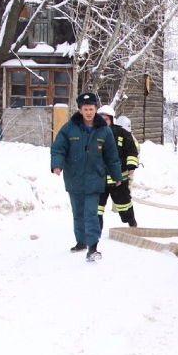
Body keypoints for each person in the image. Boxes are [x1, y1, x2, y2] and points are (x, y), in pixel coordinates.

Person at [50, 92, 122, 262]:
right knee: (78, 213)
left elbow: (111, 155)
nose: (88, 112)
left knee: (91, 213)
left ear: (96, 109)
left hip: (94, 178)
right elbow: (58, 148)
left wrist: (116, 174)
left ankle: (92, 247)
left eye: (91, 109)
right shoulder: (69, 128)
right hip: (74, 177)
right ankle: (81, 242)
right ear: (80, 110)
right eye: (85, 109)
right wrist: (57, 165)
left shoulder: (104, 130)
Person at [96, 105, 139, 229]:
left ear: (111, 120)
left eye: (106, 119)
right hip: (99, 179)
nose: (104, 122)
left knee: (124, 204)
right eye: (101, 119)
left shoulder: (122, 133)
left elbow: (132, 150)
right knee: (96, 208)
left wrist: (131, 165)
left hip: (118, 179)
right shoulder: (92, 133)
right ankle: (96, 231)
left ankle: (132, 224)